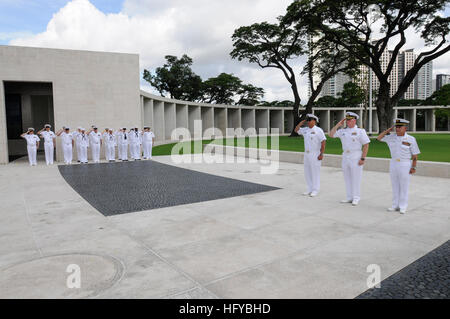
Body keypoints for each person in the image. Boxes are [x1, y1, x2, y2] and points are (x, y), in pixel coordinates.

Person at [377, 119, 420, 214]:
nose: (397, 129)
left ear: (405, 128)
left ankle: (403, 206)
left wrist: (414, 167)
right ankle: (395, 205)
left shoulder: (411, 139)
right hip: (393, 163)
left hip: (405, 164)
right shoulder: (391, 137)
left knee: (404, 186)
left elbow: (415, 155)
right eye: (396, 127)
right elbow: (378, 138)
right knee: (395, 185)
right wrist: (386, 131)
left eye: (400, 127)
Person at [329, 111, 370, 206]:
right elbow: (331, 135)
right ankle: (349, 197)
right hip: (345, 156)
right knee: (347, 178)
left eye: (350, 120)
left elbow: (366, 145)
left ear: (355, 120)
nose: (348, 122)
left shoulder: (360, 131)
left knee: (356, 178)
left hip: (356, 155)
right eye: (347, 120)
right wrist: (337, 125)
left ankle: (356, 197)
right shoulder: (342, 131)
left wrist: (363, 158)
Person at [294, 114, 326, 197]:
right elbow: (296, 130)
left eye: (310, 120)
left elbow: (323, 142)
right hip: (307, 153)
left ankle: (315, 190)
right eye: (307, 120)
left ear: (314, 121)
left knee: (315, 172)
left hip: (315, 153)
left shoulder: (319, 130)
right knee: (307, 172)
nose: (308, 122)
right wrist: (300, 123)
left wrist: (321, 153)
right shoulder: (305, 130)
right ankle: (309, 188)